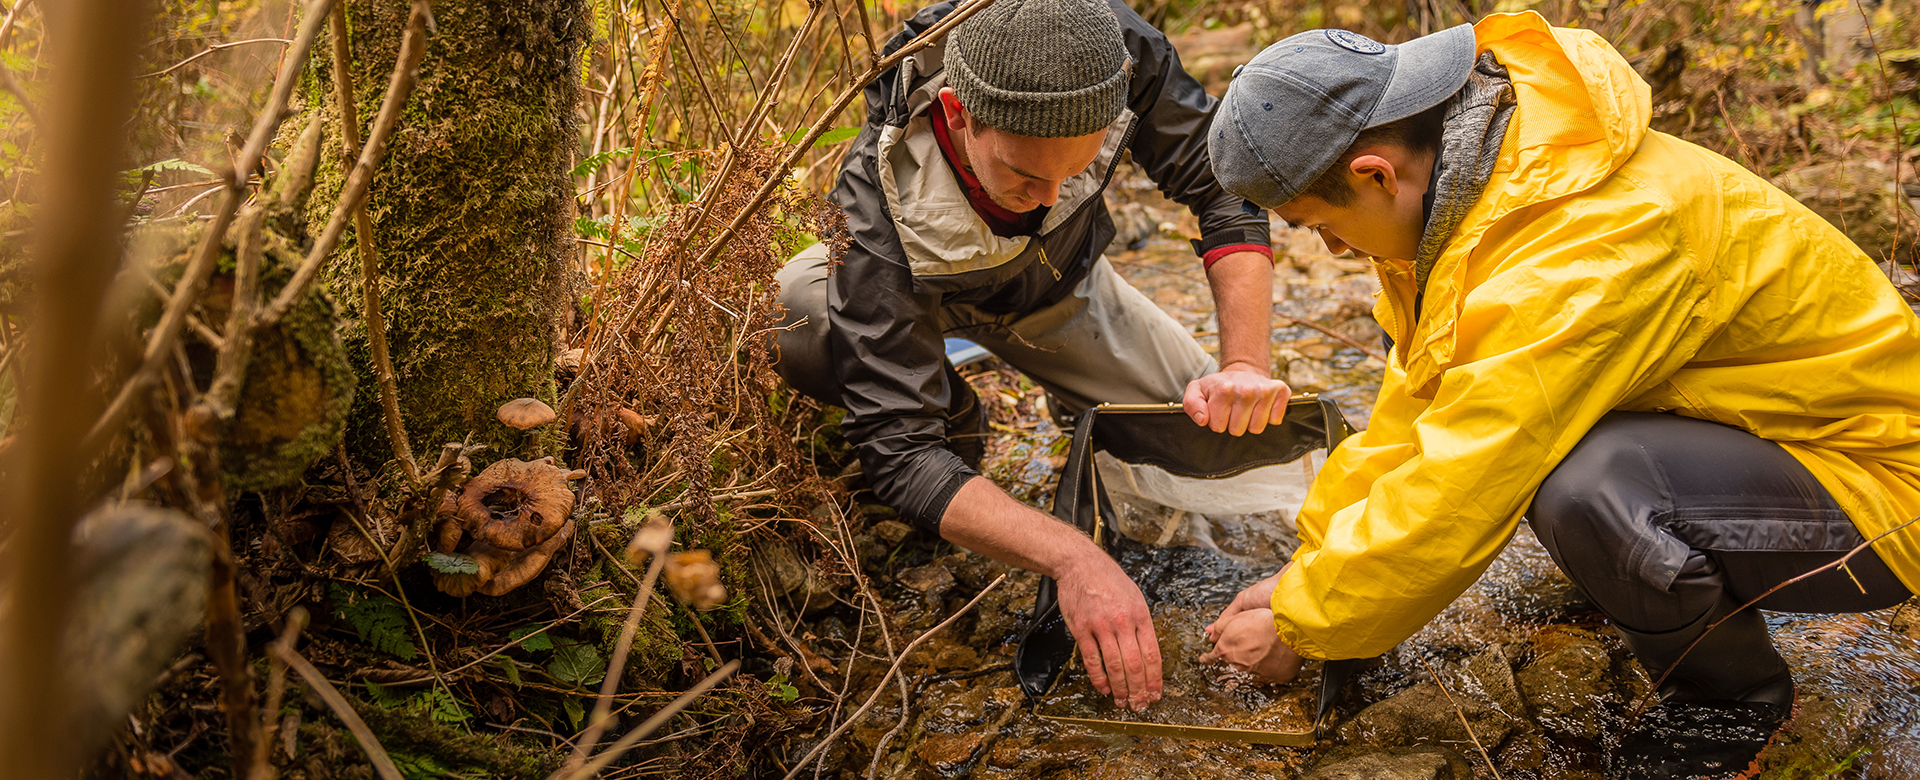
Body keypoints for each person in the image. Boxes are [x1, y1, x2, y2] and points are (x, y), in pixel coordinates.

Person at [1196, 13, 1920, 779]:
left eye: (1320, 227)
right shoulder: (1477, 200)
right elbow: (1418, 415)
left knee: (1586, 488)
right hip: (1770, 447)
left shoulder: (1585, 247)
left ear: (1377, 174)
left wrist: (1305, 623)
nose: (1336, 252)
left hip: (1884, 491)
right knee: (1567, 459)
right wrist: (1311, 563)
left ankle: (1733, 702)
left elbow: (1467, 477)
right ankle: (1668, 594)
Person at [773, 0, 1292, 712]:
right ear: (959, 114)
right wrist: (1072, 557)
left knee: (1221, 448)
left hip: (1065, 289)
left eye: (1073, 172)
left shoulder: (1114, 51)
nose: (1048, 201)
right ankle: (957, 415)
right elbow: (897, 453)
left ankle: (1079, 398)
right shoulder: (879, 192)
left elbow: (1223, 189)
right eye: (1023, 175)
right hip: (921, 303)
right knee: (795, 311)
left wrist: (1245, 367)